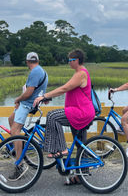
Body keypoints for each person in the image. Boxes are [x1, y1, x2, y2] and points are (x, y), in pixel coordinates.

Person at [34, 49, 95, 185]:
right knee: (81, 144)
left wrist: (44, 96)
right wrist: (47, 97)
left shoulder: (81, 74)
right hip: (81, 111)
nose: (68, 63)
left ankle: (62, 149)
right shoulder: (79, 73)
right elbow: (67, 89)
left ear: (77, 60)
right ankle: (81, 175)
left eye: (70, 60)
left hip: (80, 112)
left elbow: (64, 88)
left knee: (52, 116)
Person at [8, 52, 48, 181]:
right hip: (31, 103)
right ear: (37, 60)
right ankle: (17, 146)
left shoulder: (35, 72)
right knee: (11, 119)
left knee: (15, 131)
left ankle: (20, 165)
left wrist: (18, 99)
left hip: (27, 105)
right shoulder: (42, 71)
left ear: (27, 62)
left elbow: (29, 92)